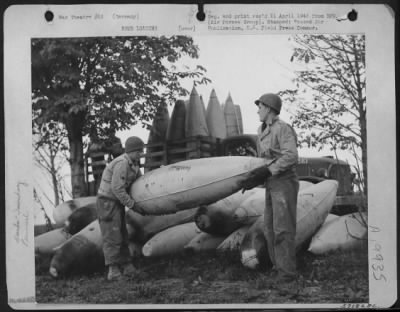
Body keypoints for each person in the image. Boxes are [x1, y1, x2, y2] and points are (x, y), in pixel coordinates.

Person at [241, 93, 299, 283]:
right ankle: (278, 268)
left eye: (260, 107)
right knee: (269, 229)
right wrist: (253, 178)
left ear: (269, 109)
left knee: (283, 229)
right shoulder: (261, 130)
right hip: (272, 183)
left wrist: (267, 171)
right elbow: (264, 160)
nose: (258, 110)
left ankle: (287, 274)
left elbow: (291, 156)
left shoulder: (282, 129)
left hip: (284, 182)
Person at [97, 136, 145, 281]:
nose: (140, 154)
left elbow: (139, 182)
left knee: (123, 234)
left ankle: (127, 266)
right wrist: (132, 205)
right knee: (112, 236)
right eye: (137, 151)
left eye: (141, 151)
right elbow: (117, 188)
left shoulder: (134, 164)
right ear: (130, 151)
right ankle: (113, 271)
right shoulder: (122, 163)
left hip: (116, 202)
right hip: (107, 202)